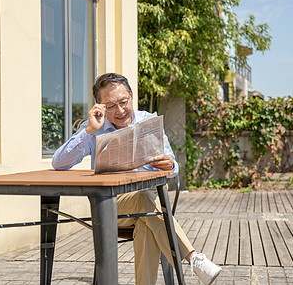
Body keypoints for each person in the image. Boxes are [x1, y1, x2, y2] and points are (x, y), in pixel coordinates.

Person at [52, 73, 221, 285]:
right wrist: (89, 130)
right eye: (110, 105)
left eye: (123, 102)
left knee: (145, 221)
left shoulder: (149, 121)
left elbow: (173, 168)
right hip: (110, 205)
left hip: (150, 206)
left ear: (131, 96)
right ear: (100, 106)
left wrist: (171, 164)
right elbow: (59, 163)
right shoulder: (95, 128)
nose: (120, 111)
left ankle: (189, 262)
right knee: (146, 203)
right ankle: (193, 258)